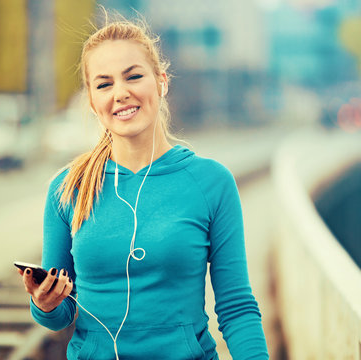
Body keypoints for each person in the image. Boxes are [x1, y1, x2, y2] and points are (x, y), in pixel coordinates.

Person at [18, 13, 269, 360]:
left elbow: (237, 307)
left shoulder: (212, 182)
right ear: (91, 100)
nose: (121, 93)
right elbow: (60, 315)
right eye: (104, 84)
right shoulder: (67, 189)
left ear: (162, 82)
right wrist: (43, 303)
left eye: (133, 76)